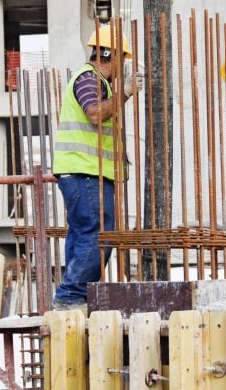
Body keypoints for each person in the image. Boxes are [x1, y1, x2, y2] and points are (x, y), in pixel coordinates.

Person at [51, 25, 143, 310]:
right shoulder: (89, 78)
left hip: (84, 172)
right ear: (108, 55)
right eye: (121, 60)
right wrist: (125, 93)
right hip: (85, 172)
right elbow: (94, 113)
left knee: (82, 233)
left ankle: (72, 295)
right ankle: (71, 295)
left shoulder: (95, 82)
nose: (122, 67)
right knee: (99, 232)